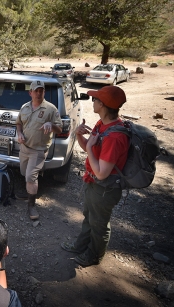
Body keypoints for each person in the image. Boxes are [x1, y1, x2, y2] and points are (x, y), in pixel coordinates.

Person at [61, 85, 129, 267]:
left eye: (95, 99)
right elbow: (89, 150)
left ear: (104, 105)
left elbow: (102, 172)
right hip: (93, 182)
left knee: (99, 224)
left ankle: (93, 255)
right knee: (89, 217)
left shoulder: (115, 137)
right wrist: (80, 136)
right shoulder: (102, 125)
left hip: (105, 188)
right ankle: (80, 246)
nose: (93, 101)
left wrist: (90, 146)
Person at [15, 80, 62, 220]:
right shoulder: (24, 107)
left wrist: (51, 124)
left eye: (41, 90)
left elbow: (60, 128)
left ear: (44, 92)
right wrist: (19, 133)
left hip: (38, 150)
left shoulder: (51, 109)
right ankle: (29, 192)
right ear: (30, 93)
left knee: (30, 176)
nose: (39, 93)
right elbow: (18, 123)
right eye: (36, 90)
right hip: (24, 147)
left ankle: (31, 206)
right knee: (25, 173)